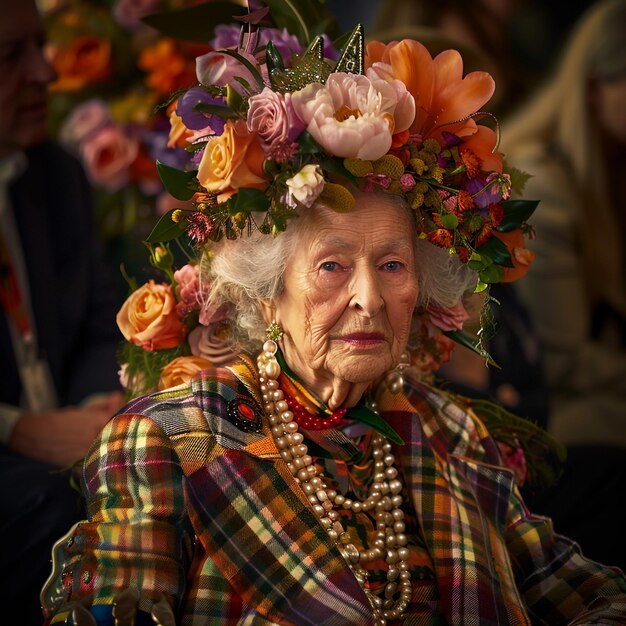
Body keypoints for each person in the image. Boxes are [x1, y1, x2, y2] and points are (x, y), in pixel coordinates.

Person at [41, 2, 626, 624]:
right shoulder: (169, 439)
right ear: (268, 291)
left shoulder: (449, 432)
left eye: (393, 266)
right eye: (332, 266)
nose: (369, 298)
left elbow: (589, 595)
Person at [0, 0, 125, 622]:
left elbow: (104, 321)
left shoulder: (54, 174)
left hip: (73, 436)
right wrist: (17, 429)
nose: (46, 74)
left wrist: (91, 411)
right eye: (9, 56)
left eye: (41, 47)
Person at [501, 0, 626, 568]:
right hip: (551, 417)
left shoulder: (607, 165)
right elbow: (563, 360)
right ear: (597, 85)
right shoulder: (545, 186)